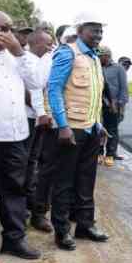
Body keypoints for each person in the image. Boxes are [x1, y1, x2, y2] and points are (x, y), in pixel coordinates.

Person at [0, 11, 47, 260]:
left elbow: (36, 83)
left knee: (14, 189)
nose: (8, 34)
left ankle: (14, 240)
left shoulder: (16, 55)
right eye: (2, 28)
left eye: (10, 29)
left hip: (16, 135)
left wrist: (20, 53)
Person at [47, 12, 109, 251]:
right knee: (64, 181)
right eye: (94, 30)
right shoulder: (67, 52)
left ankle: (85, 225)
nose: (99, 35)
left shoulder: (93, 58)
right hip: (70, 128)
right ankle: (62, 230)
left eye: (101, 31)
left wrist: (99, 124)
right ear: (81, 30)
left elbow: (94, 95)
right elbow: (54, 89)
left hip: (91, 128)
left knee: (86, 179)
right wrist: (62, 125)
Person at [30, 25, 75, 233]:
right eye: (71, 37)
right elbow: (39, 87)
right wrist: (43, 112)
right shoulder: (51, 58)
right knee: (47, 170)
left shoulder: (84, 59)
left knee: (64, 171)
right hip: (52, 123)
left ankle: (63, 212)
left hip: (72, 123)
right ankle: (39, 213)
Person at [23, 29, 55, 232]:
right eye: (47, 43)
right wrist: (41, 111)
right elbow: (30, 91)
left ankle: (34, 211)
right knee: (24, 165)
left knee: (33, 166)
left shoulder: (46, 61)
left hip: (40, 120)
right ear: (35, 43)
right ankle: (23, 210)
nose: (51, 47)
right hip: (25, 120)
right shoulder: (24, 60)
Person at [98, 46, 128, 166]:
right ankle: (99, 153)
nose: (99, 58)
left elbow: (124, 88)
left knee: (112, 130)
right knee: (99, 129)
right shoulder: (96, 65)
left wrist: (120, 105)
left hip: (113, 104)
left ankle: (110, 154)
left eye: (101, 56)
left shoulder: (118, 69)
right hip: (98, 103)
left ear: (107, 56)